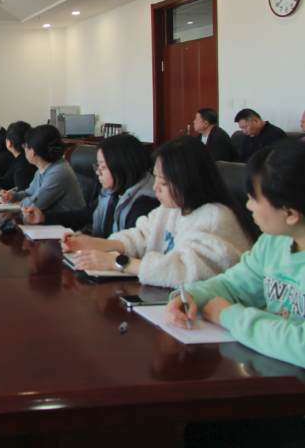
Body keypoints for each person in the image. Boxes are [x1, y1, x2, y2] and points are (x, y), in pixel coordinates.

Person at [165, 141, 305, 447]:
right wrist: (191, 296)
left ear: (290, 213)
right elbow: (234, 283)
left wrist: (230, 315)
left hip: (295, 398)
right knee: (204, 425)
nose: (248, 206)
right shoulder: (274, 241)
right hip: (275, 377)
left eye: (254, 199)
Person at [64, 135, 258, 288]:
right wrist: (96, 244)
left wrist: (117, 262)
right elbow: (142, 236)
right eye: (155, 177)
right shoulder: (172, 208)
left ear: (188, 180)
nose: (155, 187)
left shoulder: (217, 217)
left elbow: (187, 271)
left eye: (163, 182)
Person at [22, 134, 159, 235]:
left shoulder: (144, 204)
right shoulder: (112, 191)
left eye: (103, 167)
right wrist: (44, 217)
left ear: (123, 167)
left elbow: (128, 250)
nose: (98, 172)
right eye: (97, 166)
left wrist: (91, 244)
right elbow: (82, 216)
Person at [0, 124, 85, 212]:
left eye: (25, 146)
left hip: (67, 221)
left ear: (32, 152)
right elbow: (30, 193)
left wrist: (20, 203)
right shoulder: (43, 169)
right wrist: (12, 196)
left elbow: (34, 203)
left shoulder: (59, 172)